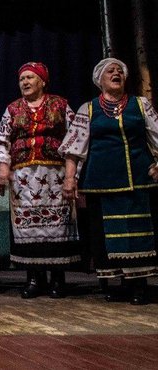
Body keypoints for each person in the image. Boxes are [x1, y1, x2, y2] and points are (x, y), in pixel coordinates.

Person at [61, 58, 158, 305]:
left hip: (137, 178)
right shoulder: (89, 109)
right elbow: (74, 148)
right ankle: (117, 282)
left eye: (120, 71)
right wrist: (70, 179)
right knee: (107, 233)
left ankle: (139, 284)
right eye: (110, 71)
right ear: (99, 80)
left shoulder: (140, 104)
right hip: (101, 182)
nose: (116, 73)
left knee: (138, 232)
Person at [0, 62, 80, 299]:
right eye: (22, 79)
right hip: (23, 180)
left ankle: (58, 278)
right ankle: (33, 278)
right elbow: (1, 140)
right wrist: (2, 168)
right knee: (27, 228)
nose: (25, 82)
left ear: (42, 81)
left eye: (30, 78)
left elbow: (74, 140)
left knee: (57, 227)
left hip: (55, 176)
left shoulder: (60, 105)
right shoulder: (12, 109)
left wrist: (72, 177)